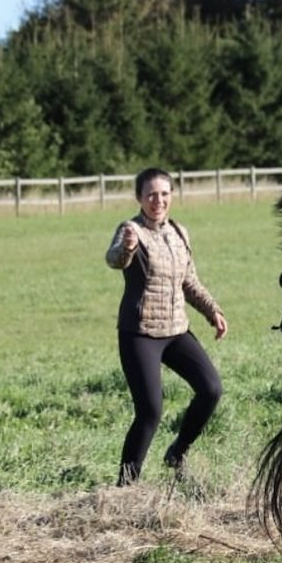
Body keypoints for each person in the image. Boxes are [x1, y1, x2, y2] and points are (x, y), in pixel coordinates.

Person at [106, 167, 228, 486]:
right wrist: (128, 248)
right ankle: (125, 486)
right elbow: (115, 258)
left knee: (211, 388)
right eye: (151, 195)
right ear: (139, 198)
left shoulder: (178, 232)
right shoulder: (130, 229)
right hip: (140, 333)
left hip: (176, 330)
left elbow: (189, 281)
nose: (158, 200)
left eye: (164, 194)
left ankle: (178, 452)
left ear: (171, 195)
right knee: (150, 411)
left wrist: (212, 311)